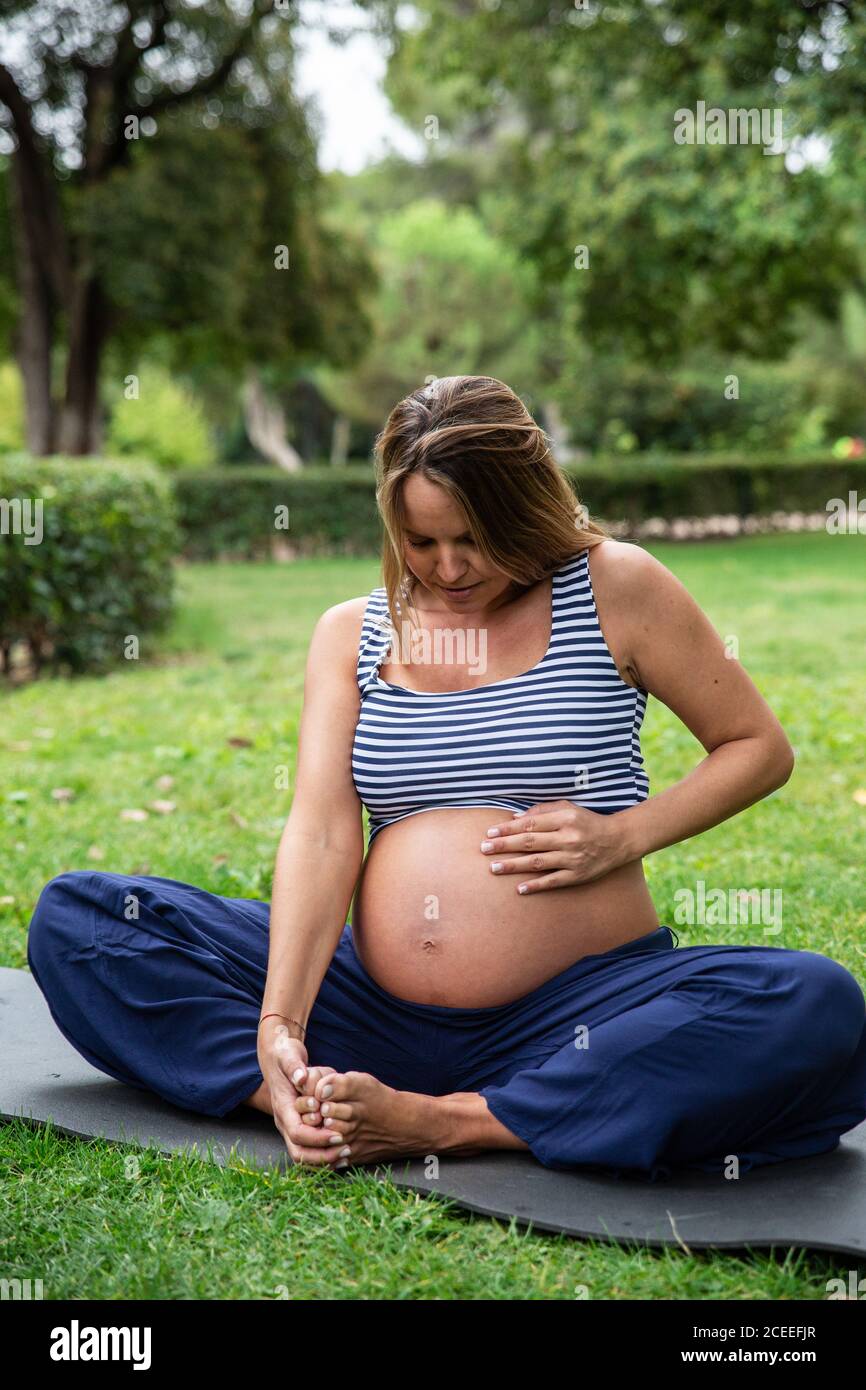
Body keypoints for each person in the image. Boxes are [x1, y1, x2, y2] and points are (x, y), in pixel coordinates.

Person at [27, 375, 866, 1183]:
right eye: (421, 542)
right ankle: (307, 1098)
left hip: (579, 1016)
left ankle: (455, 1122)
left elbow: (757, 746)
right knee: (82, 921)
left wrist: (622, 834)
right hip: (370, 1015)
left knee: (813, 1001)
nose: (450, 567)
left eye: (476, 540)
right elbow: (322, 831)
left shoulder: (617, 587)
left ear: (526, 511)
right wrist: (280, 1022)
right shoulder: (350, 633)